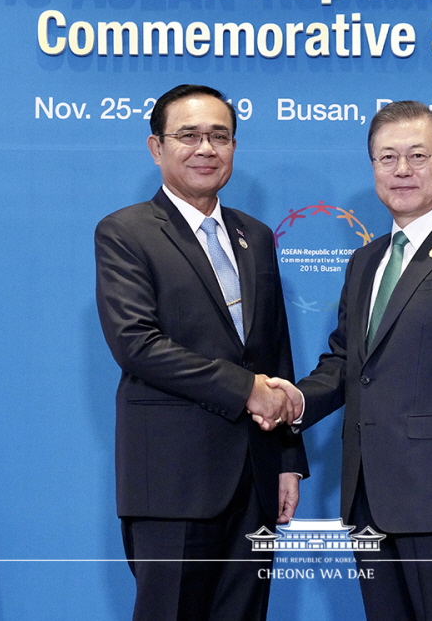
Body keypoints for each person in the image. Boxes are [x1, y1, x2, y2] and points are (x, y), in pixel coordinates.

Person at [268, 100, 432, 620]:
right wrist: (292, 400)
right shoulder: (366, 260)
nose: (401, 170)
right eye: (387, 158)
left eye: (417, 155)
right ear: (373, 169)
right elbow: (346, 363)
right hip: (368, 502)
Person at [95, 83, 307, 621]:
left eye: (220, 136)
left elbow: (273, 349)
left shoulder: (254, 236)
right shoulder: (126, 232)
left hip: (254, 479)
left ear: (234, 146)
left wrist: (287, 459)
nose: (205, 149)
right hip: (172, 480)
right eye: (188, 136)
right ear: (156, 147)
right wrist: (246, 390)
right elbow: (136, 344)